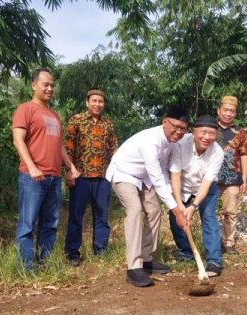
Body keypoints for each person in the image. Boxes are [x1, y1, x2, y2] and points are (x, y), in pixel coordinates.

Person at [106, 105, 189, 287]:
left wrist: (176, 203)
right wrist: (176, 211)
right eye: (175, 126)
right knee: (135, 210)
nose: (179, 131)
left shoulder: (174, 143)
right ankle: (133, 267)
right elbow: (156, 176)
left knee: (154, 211)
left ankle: (146, 259)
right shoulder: (150, 140)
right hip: (124, 173)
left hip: (145, 178)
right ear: (165, 122)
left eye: (183, 128)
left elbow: (166, 174)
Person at [12, 68, 78, 270]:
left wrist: (70, 166)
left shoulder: (54, 115)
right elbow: (18, 140)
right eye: (45, 85)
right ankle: (27, 268)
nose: (50, 88)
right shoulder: (25, 109)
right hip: (32, 177)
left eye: (52, 85)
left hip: (54, 177)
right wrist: (31, 166)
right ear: (34, 85)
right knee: (27, 225)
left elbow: (59, 146)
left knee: (50, 223)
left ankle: (44, 264)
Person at [64, 89, 118, 266]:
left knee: (102, 216)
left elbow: (113, 150)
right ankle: (72, 252)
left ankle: (100, 250)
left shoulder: (108, 125)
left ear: (104, 104)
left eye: (100, 101)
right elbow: (68, 147)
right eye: (94, 101)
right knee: (76, 216)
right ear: (87, 102)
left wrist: (115, 172)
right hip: (81, 176)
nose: (97, 104)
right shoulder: (77, 120)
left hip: (103, 177)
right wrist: (68, 170)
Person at [169, 115, 224, 277]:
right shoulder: (179, 144)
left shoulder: (217, 152)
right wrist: (179, 204)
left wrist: (193, 207)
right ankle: (186, 253)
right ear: (194, 132)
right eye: (204, 132)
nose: (207, 137)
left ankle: (214, 261)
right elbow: (176, 176)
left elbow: (206, 183)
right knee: (175, 217)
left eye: (212, 134)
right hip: (182, 185)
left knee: (209, 218)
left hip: (205, 188)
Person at [215, 96, 247, 254]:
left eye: (232, 111)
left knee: (230, 211)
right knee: (208, 210)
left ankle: (228, 242)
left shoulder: (240, 132)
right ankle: (209, 241)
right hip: (210, 178)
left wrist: (244, 177)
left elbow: (245, 154)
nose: (228, 113)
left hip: (232, 178)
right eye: (225, 110)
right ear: (218, 110)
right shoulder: (209, 128)